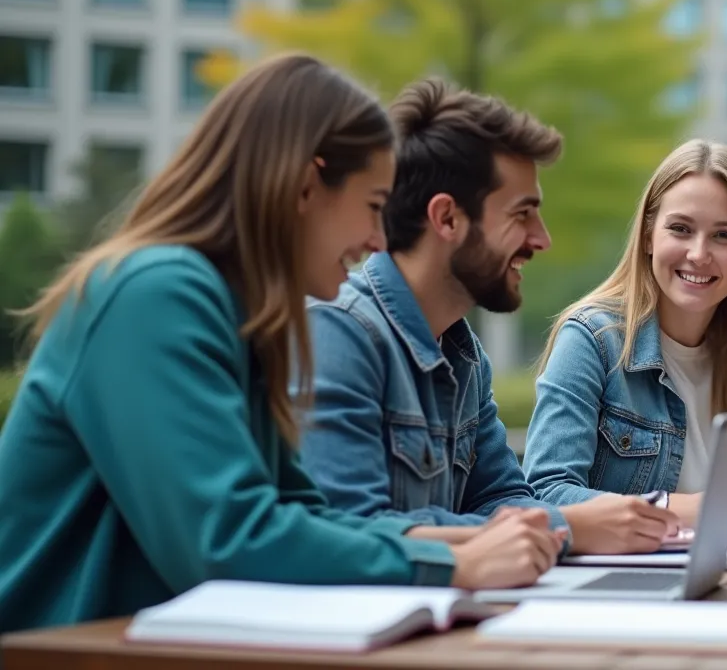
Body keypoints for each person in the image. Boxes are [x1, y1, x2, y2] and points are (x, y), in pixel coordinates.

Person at [0, 54, 563, 634]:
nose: (378, 238)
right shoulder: (156, 295)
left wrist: (484, 542)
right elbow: (227, 540)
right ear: (305, 184)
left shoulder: (237, 315)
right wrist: (455, 564)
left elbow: (307, 517)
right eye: (373, 206)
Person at [295, 78, 679, 556]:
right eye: (522, 214)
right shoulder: (339, 333)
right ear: (448, 219)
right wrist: (571, 528)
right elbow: (352, 529)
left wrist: (564, 526)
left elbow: (502, 497)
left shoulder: (463, 354)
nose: (542, 239)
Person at [523, 139, 727, 538]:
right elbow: (544, 495)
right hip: (623, 589)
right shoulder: (592, 340)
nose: (699, 254)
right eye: (681, 229)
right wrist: (687, 509)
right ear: (649, 236)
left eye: (724, 236)